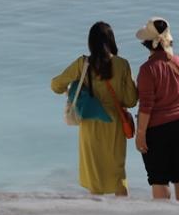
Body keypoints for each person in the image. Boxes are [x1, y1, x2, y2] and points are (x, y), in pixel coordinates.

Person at [50, 22, 139, 196]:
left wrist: (72, 89)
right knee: (118, 175)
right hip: (114, 126)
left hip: (90, 126)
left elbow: (55, 85)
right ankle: (124, 213)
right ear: (111, 40)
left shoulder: (82, 64)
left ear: (91, 42)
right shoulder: (123, 65)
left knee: (95, 178)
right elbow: (131, 100)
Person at [134, 17, 179, 202]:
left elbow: (146, 106)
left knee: (158, 178)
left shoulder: (147, 69)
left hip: (156, 128)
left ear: (146, 43)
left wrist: (140, 133)